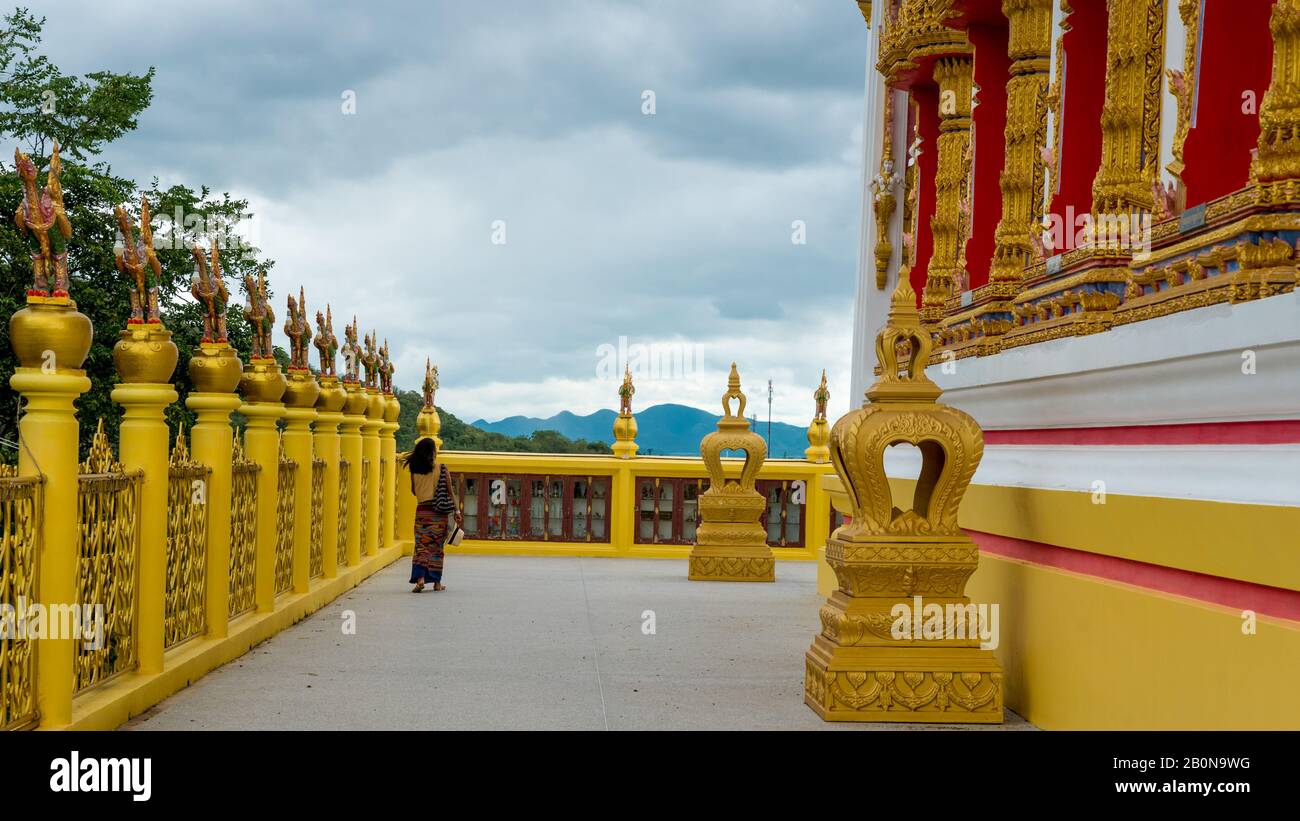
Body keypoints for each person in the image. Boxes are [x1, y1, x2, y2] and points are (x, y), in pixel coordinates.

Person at [403, 438, 460, 592]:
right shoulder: (441, 468)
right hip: (438, 514)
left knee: (421, 546)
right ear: (433, 451)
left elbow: (413, 491)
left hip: (422, 512)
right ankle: (437, 583)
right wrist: (457, 511)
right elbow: (450, 491)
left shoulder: (414, 468)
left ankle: (420, 579)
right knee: (436, 547)